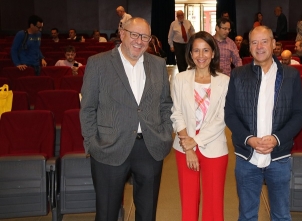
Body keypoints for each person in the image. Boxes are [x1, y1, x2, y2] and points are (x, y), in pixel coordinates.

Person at [80, 17, 173, 221]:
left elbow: (166, 104)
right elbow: (87, 109)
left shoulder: (158, 64)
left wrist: (166, 135)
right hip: (109, 148)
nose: (139, 41)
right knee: (107, 214)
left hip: (150, 148)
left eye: (145, 37)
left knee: (147, 213)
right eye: (134, 34)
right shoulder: (98, 63)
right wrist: (92, 144)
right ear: (122, 34)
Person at [225, 25, 302, 221]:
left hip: (279, 157)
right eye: (254, 42)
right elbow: (230, 114)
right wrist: (249, 139)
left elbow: (299, 115)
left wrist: (277, 139)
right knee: (247, 215)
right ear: (249, 47)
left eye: (264, 41)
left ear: (273, 44)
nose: (259, 46)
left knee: (281, 215)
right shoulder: (238, 75)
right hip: (247, 158)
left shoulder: (291, 75)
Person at [171, 31, 229, 221]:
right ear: (190, 53)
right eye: (196, 50)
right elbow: (176, 112)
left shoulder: (225, 82)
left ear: (213, 53)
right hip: (184, 144)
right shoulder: (180, 79)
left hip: (214, 145)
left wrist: (194, 141)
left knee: (213, 203)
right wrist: (188, 146)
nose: (201, 55)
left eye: (206, 50)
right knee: (188, 201)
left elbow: (221, 118)